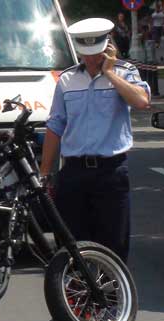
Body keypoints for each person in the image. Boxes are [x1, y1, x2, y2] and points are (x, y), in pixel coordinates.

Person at [40, 18, 150, 265]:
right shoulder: (67, 80)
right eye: (86, 55)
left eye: (96, 54)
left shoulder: (125, 72)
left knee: (113, 246)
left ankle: (112, 300)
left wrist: (109, 73)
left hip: (110, 172)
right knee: (71, 245)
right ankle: (75, 300)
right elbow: (55, 125)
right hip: (73, 173)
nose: (91, 60)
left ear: (107, 47)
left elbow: (141, 102)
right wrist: (44, 173)